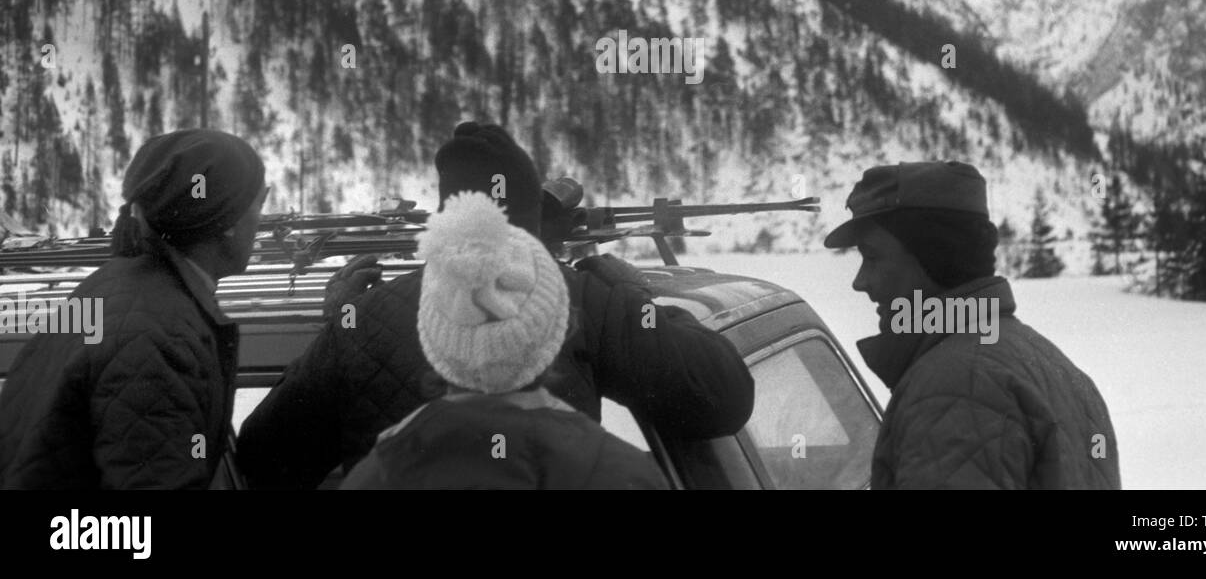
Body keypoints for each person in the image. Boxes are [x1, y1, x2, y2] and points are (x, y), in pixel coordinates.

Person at [237, 121, 754, 489]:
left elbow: (263, 460)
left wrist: (339, 327)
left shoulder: (364, 320)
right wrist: (640, 298)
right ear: (531, 223)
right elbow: (721, 396)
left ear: (447, 214)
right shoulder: (583, 297)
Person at [823, 161, 1121, 489]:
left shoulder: (955, 387)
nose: (860, 282)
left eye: (874, 257)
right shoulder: (1050, 364)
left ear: (933, 257)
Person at [341, 191, 667, 489]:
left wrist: (340, 318)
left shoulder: (377, 474)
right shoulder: (626, 474)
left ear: (432, 338)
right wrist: (638, 300)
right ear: (562, 330)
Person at [0, 129, 267, 489]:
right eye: (259, 203)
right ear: (230, 222)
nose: (262, 221)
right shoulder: (161, 339)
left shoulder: (116, 284)